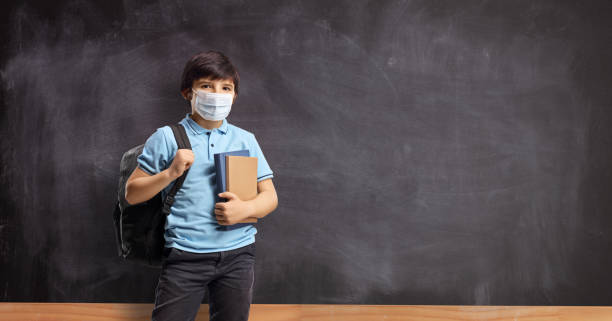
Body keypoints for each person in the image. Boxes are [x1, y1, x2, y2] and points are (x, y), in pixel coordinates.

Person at [124, 50, 278, 321]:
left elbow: (270, 197)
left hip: (238, 255)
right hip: (185, 257)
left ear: (234, 96)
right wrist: (169, 173)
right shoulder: (167, 138)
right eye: (207, 86)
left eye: (226, 88)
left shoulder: (245, 140)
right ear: (188, 92)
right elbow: (132, 193)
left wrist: (245, 209)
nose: (217, 94)